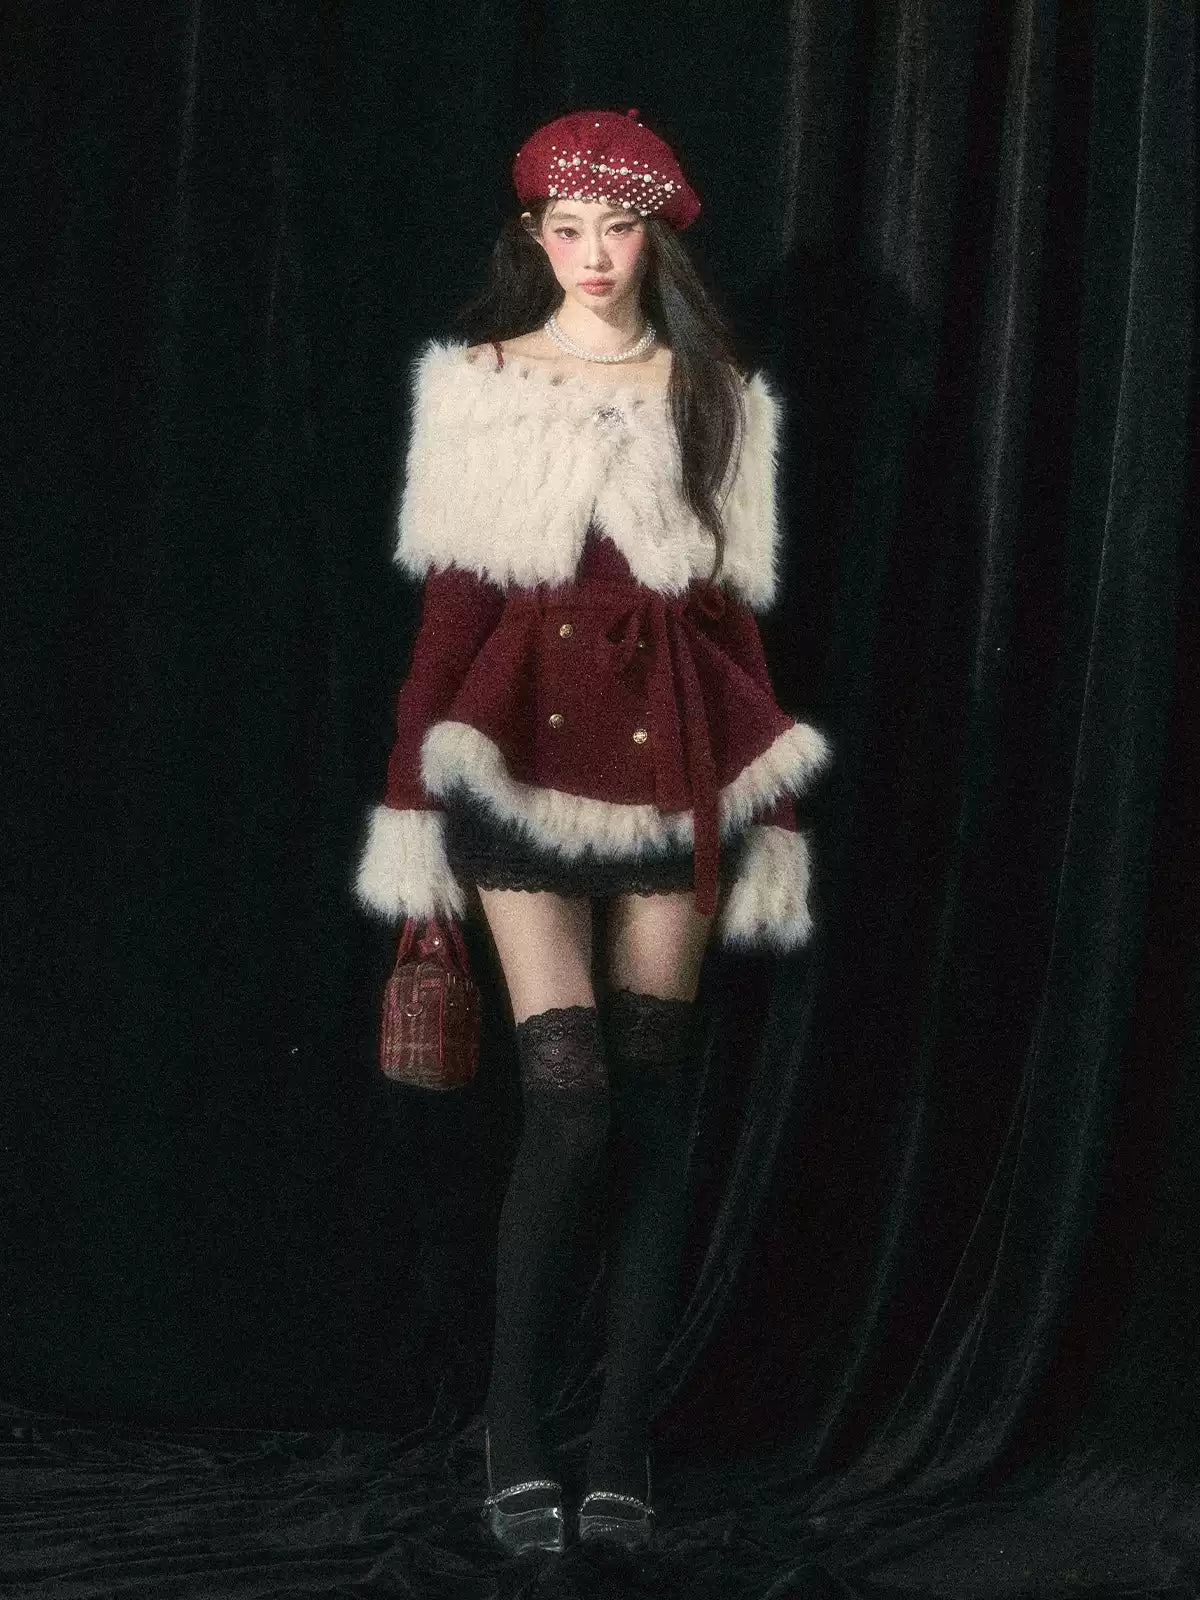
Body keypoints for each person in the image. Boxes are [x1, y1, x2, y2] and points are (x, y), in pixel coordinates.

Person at [353, 108, 832, 1555]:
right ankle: (515, 1435)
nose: (594, 254)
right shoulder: (484, 387)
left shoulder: (715, 395)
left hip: (676, 755)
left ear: (654, 237)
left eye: (618, 228)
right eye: (567, 229)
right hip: (518, 758)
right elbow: (452, 615)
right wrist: (408, 807)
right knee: (567, 1100)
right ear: (535, 238)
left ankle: (621, 1446)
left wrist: (773, 802)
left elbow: (731, 621)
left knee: (652, 1101)